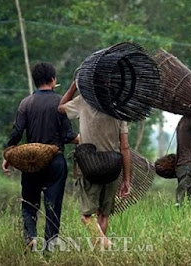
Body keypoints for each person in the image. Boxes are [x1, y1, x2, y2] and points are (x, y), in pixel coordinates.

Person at [2, 62, 78, 250]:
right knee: (53, 207)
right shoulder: (61, 102)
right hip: (55, 162)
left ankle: (30, 238)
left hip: (31, 162)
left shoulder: (26, 103)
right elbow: (68, 136)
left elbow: (17, 132)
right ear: (53, 80)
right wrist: (88, 139)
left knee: (29, 202)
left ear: (36, 81)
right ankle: (49, 248)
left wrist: (9, 153)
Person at [58, 81, 131, 247]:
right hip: (113, 166)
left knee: (86, 215)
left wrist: (72, 88)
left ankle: (103, 242)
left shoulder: (83, 101)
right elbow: (124, 147)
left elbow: (60, 108)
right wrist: (126, 179)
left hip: (89, 166)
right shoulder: (118, 108)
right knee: (104, 215)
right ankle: (101, 248)